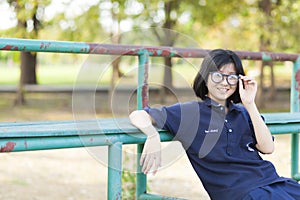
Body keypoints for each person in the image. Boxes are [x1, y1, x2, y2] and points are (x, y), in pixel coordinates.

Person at [129, 49, 300, 200]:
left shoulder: (244, 112)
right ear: (205, 77)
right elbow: (138, 115)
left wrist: (250, 103)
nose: (225, 83)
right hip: (240, 193)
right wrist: (152, 135)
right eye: (218, 75)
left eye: (231, 77)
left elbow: (267, 147)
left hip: (273, 183)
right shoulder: (190, 113)